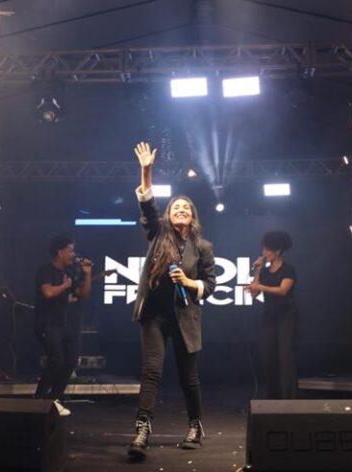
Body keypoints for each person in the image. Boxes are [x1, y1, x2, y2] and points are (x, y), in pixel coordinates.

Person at [127, 142, 217, 460]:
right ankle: (142, 430)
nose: (180, 210)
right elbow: (148, 206)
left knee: (188, 378)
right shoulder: (158, 233)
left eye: (185, 208)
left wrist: (190, 283)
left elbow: (211, 285)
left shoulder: (203, 247)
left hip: (185, 316)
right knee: (151, 371)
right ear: (169, 214)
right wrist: (146, 171)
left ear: (192, 217)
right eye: (176, 207)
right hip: (154, 315)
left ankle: (195, 426)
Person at [33, 235, 93, 416]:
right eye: (70, 250)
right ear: (60, 252)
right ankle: (39, 399)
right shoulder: (46, 269)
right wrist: (64, 285)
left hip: (63, 324)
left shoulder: (69, 272)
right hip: (46, 323)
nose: (73, 254)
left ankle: (54, 399)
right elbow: (48, 292)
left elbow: (83, 294)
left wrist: (87, 274)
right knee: (56, 360)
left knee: (71, 361)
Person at [246, 231, 298, 399]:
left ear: (278, 250)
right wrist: (258, 270)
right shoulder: (265, 272)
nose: (265, 253)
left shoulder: (288, 269)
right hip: (269, 317)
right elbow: (254, 293)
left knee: (285, 357)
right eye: (264, 249)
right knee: (268, 356)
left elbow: (283, 290)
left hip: (286, 317)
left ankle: (289, 398)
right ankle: (273, 398)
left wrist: (260, 287)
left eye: (268, 250)